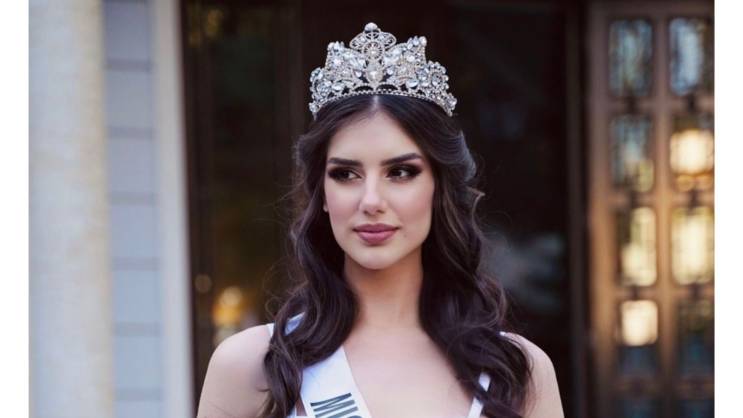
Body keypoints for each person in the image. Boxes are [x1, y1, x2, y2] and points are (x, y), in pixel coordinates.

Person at [197, 23, 564, 418]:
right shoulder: (254, 367)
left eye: (401, 172)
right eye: (346, 174)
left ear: (438, 188)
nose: (371, 201)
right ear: (322, 193)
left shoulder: (516, 372)